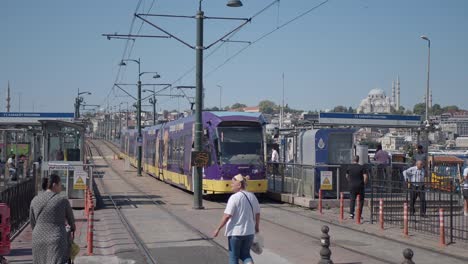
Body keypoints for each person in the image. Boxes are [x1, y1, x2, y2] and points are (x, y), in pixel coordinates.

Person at [213, 174, 260, 264]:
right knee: (245, 255)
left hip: (236, 232)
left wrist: (218, 229)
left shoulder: (234, 197)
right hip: (249, 232)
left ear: (239, 185)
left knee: (233, 256)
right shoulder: (252, 196)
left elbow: (227, 216)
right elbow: (257, 213)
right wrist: (256, 227)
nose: (231, 185)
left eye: (233, 183)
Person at [30, 174, 76, 264]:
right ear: (54, 185)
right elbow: (71, 220)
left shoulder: (35, 200)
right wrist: (72, 228)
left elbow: (32, 222)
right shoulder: (62, 200)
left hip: (37, 238)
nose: (61, 187)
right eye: (60, 184)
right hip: (56, 240)